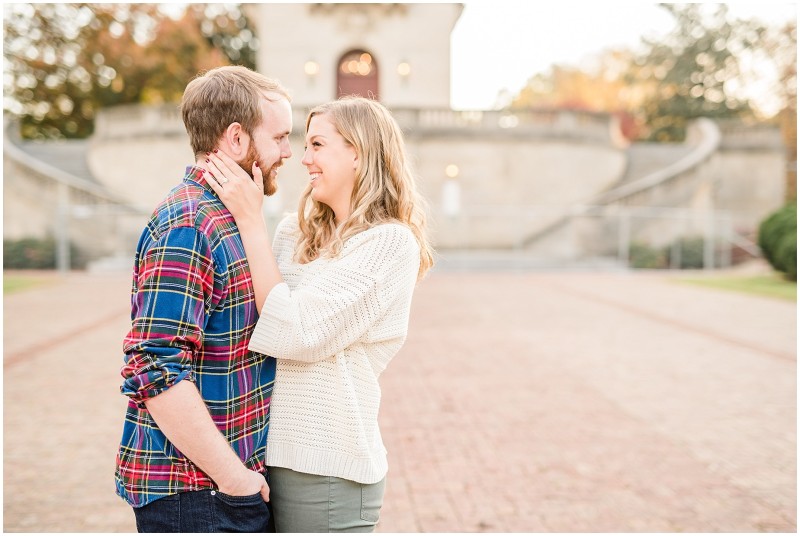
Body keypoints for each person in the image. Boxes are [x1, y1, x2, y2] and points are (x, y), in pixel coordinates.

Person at [203, 96, 434, 532]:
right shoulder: (294, 231)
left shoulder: (390, 244)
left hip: (328, 469)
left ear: (358, 153)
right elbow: (259, 319)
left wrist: (252, 221)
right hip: (261, 457)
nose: (303, 158)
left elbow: (298, 333)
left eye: (317, 145)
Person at [114, 65, 293, 533]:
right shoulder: (189, 223)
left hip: (220, 487)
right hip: (196, 495)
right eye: (279, 137)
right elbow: (154, 366)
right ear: (236, 139)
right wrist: (236, 480)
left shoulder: (232, 214)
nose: (288, 152)